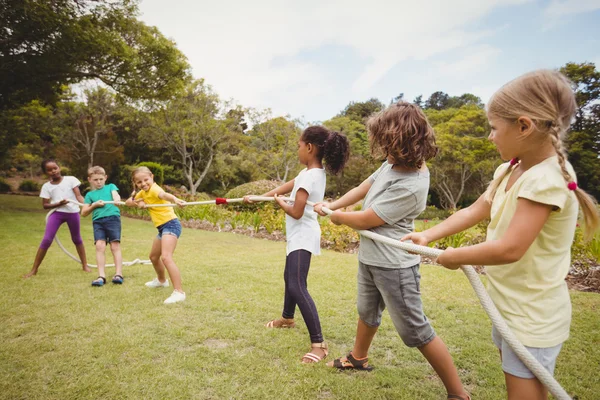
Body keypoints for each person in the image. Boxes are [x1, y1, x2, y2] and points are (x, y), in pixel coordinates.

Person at [402, 70, 599, 400]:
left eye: (494, 127)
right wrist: (428, 236)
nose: (491, 137)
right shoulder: (510, 168)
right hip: (508, 308)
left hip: (531, 317)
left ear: (524, 126)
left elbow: (510, 248)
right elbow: (475, 210)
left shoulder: (545, 180)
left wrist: (454, 257)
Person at [315, 102, 470, 400]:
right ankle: (358, 358)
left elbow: (368, 218)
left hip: (395, 266)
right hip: (372, 258)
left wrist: (337, 217)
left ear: (401, 141)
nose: (381, 146)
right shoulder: (392, 162)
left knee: (415, 329)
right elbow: (364, 186)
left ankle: (458, 393)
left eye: (385, 140)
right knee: (367, 310)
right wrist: (333, 204)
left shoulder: (412, 183)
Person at [244, 126, 350, 364]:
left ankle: (319, 344)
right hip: (299, 235)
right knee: (289, 278)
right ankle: (287, 318)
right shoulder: (310, 173)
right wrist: (257, 197)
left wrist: (280, 203)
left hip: (302, 233)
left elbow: (297, 212)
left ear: (309, 147)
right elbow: (285, 187)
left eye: (299, 146)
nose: (298, 150)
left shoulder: (309, 176)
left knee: (297, 284)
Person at [125, 166, 187, 304]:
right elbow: (128, 202)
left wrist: (175, 199)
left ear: (152, 177)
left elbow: (164, 195)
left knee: (166, 257)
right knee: (153, 257)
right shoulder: (143, 192)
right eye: (139, 182)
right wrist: (139, 201)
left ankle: (179, 292)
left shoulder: (154, 189)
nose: (144, 184)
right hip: (162, 228)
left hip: (171, 224)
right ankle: (161, 281)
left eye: (146, 180)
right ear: (136, 184)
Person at [24, 159, 90, 278]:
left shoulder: (71, 180)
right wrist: (59, 204)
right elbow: (45, 205)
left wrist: (88, 205)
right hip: (57, 214)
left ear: (59, 168)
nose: (53, 171)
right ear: (46, 172)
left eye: (55, 168)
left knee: (76, 239)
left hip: (72, 213)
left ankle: (85, 265)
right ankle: (34, 270)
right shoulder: (46, 186)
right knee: (47, 239)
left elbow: (79, 196)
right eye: (49, 170)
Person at [81, 166, 124, 287]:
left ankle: (118, 274)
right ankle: (101, 276)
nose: (98, 182)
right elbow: (84, 213)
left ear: (105, 178)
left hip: (113, 219)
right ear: (89, 179)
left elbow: (116, 195)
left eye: (101, 179)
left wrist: (117, 199)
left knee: (115, 246)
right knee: (100, 246)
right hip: (98, 221)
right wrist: (94, 205)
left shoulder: (111, 187)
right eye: (95, 180)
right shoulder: (89, 195)